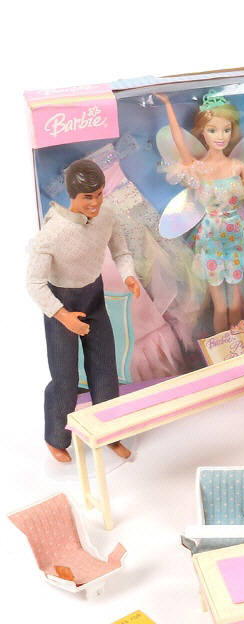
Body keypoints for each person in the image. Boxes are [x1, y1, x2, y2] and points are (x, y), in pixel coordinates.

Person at [26, 159, 140, 463]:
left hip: (93, 296)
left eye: (99, 194)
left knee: (105, 369)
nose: (96, 203)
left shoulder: (107, 215)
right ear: (72, 196)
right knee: (64, 377)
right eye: (88, 197)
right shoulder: (52, 233)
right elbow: (34, 283)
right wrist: (63, 316)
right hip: (60, 302)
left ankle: (109, 433)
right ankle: (56, 437)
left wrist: (128, 276)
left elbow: (121, 251)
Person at [156, 91, 244, 333]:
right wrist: (168, 104)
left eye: (226, 130)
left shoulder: (238, 167)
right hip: (210, 238)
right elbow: (179, 140)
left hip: (237, 236)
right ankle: (220, 349)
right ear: (202, 132)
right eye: (213, 130)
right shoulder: (197, 168)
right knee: (220, 307)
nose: (220, 136)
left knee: (236, 303)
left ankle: (239, 345)